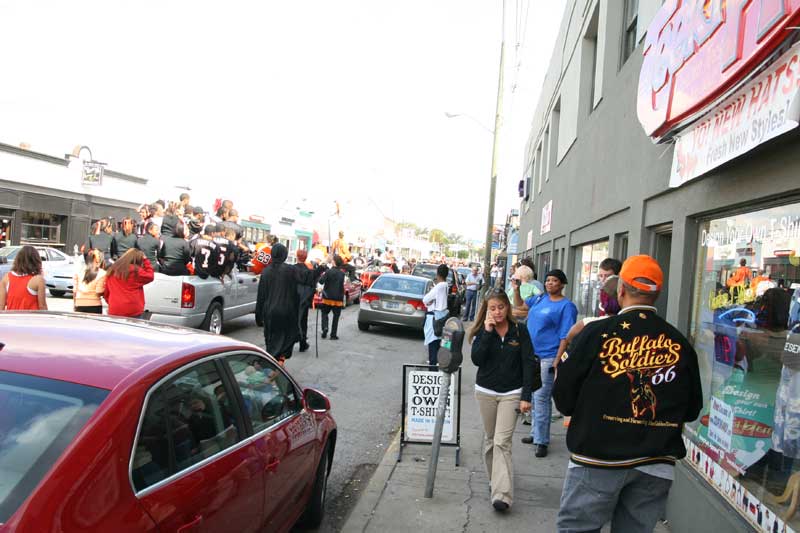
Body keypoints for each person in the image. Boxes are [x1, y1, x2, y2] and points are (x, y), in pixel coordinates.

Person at [553, 255, 702, 533]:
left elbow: (563, 397)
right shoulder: (680, 343)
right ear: (657, 294)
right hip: (655, 463)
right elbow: (692, 409)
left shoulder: (597, 333)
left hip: (597, 458)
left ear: (620, 290)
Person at [470, 290, 538, 512]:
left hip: (512, 393)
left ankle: (502, 495)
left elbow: (528, 363)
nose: (497, 312)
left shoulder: (520, 330)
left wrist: (526, 396)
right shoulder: (483, 330)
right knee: (491, 440)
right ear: (486, 310)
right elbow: (477, 359)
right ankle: (495, 480)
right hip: (485, 392)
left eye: (501, 307)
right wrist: (488, 333)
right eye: (492, 308)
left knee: (502, 442)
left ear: (507, 307)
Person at [513, 268, 577, 457]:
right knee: (532, 396)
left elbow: (565, 336)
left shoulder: (567, 306)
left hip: (548, 356)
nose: (550, 283)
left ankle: (542, 441)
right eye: (548, 280)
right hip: (531, 355)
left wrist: (557, 360)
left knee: (541, 398)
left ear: (562, 284)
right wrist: (516, 289)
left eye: (554, 281)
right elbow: (521, 306)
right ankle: (535, 433)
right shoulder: (540, 299)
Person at [255, 243, 299, 365]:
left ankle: (272, 364)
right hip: (287, 311)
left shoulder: (265, 272)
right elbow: (297, 291)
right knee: (284, 341)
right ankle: (277, 365)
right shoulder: (290, 270)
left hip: (269, 312)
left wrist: (258, 315)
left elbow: (261, 295)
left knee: (271, 342)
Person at [103, 248, 154, 318]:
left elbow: (106, 292)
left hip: (115, 308)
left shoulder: (112, 270)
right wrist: (146, 260)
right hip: (133, 309)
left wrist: (111, 302)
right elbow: (150, 276)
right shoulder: (136, 270)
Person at [0, 245, 47, 310]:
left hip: (12, 318)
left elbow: (1, 306)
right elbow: (42, 306)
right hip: (31, 319)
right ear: (36, 261)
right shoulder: (38, 280)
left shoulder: (6, 278)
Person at [422, 264, 450, 367]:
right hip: (442, 317)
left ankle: (433, 372)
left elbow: (425, 299)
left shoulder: (438, 286)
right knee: (440, 346)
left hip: (434, 319)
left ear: (437, 274)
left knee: (433, 347)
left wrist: (430, 301)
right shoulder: (446, 285)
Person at [318, 255, 346, 340]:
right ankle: (333, 335)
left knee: (324, 313)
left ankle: (325, 327)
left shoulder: (328, 272)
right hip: (338, 298)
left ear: (334, 262)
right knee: (336, 317)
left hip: (327, 297)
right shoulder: (342, 274)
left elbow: (321, 281)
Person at [294, 248, 316, 351]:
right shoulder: (309, 272)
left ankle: (290, 342)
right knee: (303, 321)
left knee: (292, 320)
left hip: (293, 299)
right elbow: (313, 287)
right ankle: (303, 343)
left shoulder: (291, 269)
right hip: (304, 300)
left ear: (297, 257)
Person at [73, 249, 107, 313]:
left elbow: (75, 291)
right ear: (100, 260)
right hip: (94, 305)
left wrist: (74, 304)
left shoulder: (79, 271)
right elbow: (99, 291)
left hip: (79, 303)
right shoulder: (102, 273)